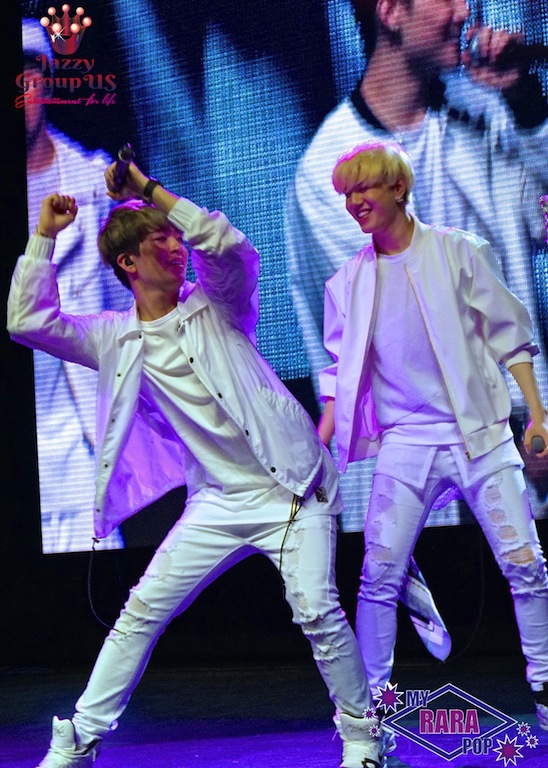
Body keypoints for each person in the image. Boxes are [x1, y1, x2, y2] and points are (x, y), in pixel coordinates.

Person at [7, 161, 384, 768]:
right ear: (128, 263)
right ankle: (79, 739)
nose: (176, 244)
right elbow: (28, 322)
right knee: (141, 611)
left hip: (293, 489)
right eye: (159, 239)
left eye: (174, 234)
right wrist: (44, 236)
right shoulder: (114, 337)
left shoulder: (218, 302)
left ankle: (364, 740)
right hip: (218, 501)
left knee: (317, 610)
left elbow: (226, 244)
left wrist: (148, 191)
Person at [285, 0, 548, 530]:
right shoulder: (327, 171)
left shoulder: (486, 115)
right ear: (390, 12)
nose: (464, 11)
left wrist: (525, 100)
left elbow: (540, 219)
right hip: (416, 490)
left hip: (518, 467)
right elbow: (401, 334)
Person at [318, 139, 548, 734]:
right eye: (346, 193)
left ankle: (546, 686)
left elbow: (510, 333)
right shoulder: (347, 283)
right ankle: (369, 709)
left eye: (364, 188)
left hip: (481, 436)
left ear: (398, 188)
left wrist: (537, 414)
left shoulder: (458, 251)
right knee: (377, 577)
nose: (354, 201)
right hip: (406, 444)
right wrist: (322, 442)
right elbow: (338, 374)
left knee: (526, 566)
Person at [22, 17, 128, 553]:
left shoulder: (92, 183)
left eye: (26, 75)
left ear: (44, 80)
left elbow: (134, 319)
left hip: (81, 465)